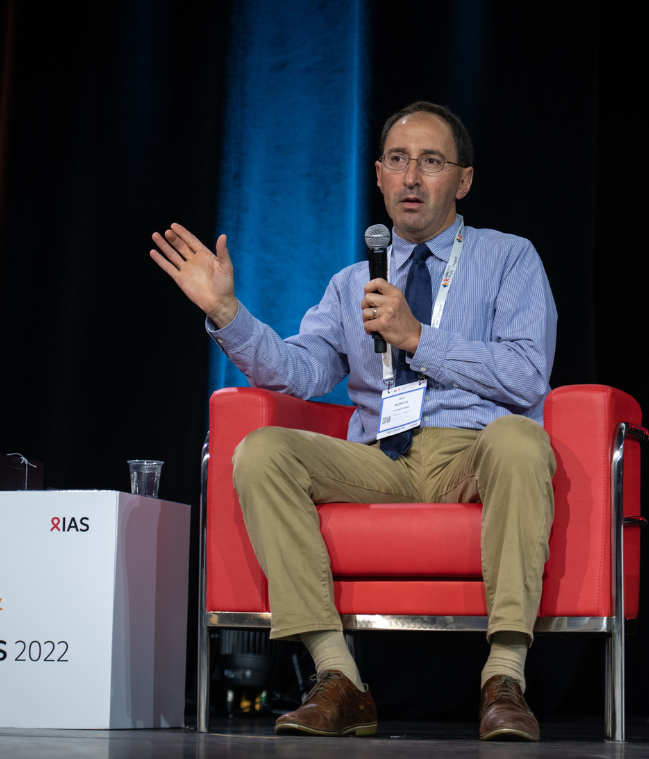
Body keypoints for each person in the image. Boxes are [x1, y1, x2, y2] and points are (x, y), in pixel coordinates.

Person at [150, 101, 558, 741]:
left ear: (464, 179)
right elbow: (303, 372)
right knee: (261, 451)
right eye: (398, 161)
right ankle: (339, 679)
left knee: (520, 439)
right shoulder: (351, 283)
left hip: (474, 452)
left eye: (431, 162)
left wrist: (418, 336)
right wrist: (229, 314)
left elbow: (527, 375)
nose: (412, 178)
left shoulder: (510, 259)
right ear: (377, 174)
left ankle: (504, 679)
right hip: (383, 456)